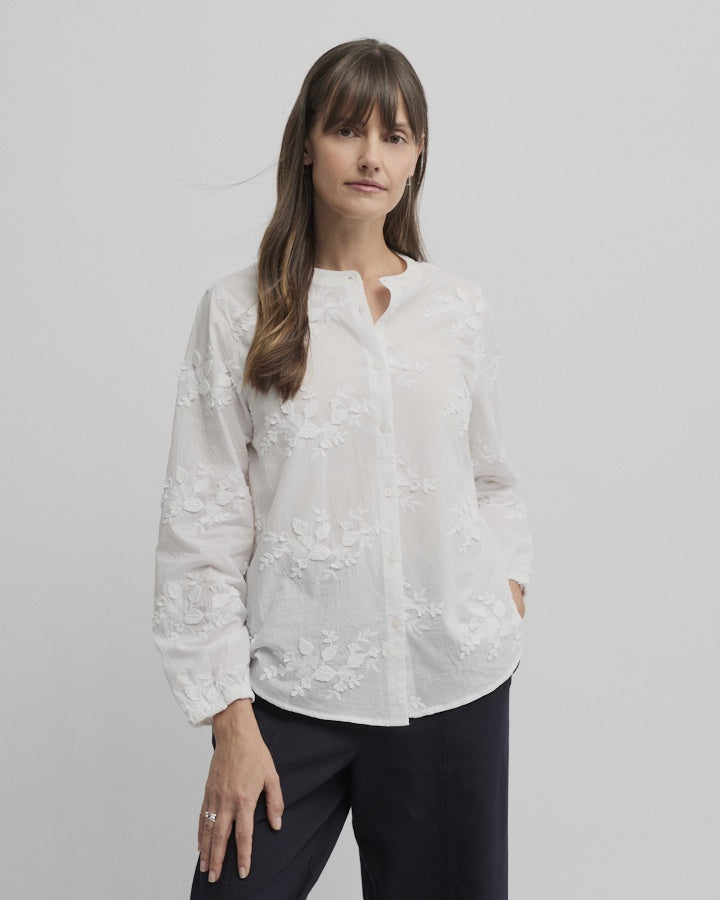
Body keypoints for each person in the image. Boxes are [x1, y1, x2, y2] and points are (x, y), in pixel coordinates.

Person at [153, 37, 534, 900]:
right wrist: (230, 720)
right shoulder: (238, 311)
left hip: (452, 685)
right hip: (292, 694)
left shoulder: (457, 311)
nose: (371, 157)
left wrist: (506, 587)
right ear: (305, 144)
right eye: (347, 130)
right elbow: (201, 521)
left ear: (417, 156)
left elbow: (492, 479)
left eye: (394, 137)